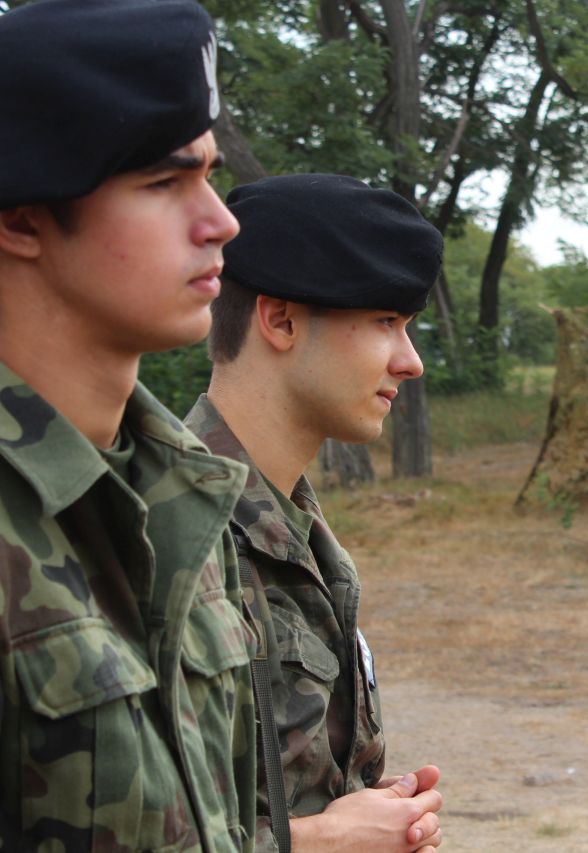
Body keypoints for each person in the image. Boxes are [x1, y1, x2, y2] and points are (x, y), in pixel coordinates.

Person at [0, 0, 259, 849]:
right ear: (21, 219)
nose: (220, 220)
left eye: (209, 175)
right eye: (162, 183)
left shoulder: (181, 490)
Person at [185, 174, 445, 852]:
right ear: (281, 321)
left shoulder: (297, 528)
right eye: (385, 322)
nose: (410, 361)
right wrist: (317, 842)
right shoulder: (166, 531)